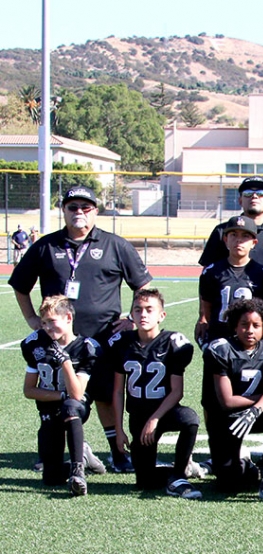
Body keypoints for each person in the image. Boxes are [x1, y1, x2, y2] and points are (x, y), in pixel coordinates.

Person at [10, 185, 151, 473]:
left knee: (104, 394)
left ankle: (117, 453)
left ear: (95, 211)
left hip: (103, 336)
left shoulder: (115, 244)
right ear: (64, 210)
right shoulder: (46, 246)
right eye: (73, 207)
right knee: (55, 391)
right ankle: (55, 450)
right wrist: (32, 321)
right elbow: (20, 285)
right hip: (59, 339)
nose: (79, 212)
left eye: (85, 207)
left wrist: (132, 318)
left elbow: (144, 285)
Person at [108, 289, 202, 499]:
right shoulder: (121, 343)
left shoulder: (173, 342)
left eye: (150, 310)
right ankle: (179, 471)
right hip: (139, 417)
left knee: (189, 419)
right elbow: (117, 391)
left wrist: (155, 419)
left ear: (161, 315)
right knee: (145, 482)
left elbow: (177, 392)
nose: (143, 314)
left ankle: (178, 474)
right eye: (138, 310)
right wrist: (118, 428)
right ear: (131, 314)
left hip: (164, 412)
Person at [202, 298, 263, 501]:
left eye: (256, 325)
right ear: (234, 325)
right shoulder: (221, 349)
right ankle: (245, 465)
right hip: (226, 419)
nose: (250, 330)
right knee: (227, 484)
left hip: (254, 414)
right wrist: (260, 401)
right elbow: (228, 401)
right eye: (244, 325)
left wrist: (256, 410)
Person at [21, 295, 102, 496]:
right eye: (44, 322)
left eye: (52, 321)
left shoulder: (86, 347)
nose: (48, 327)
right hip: (50, 408)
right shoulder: (35, 345)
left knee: (70, 406)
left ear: (68, 318)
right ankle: (83, 458)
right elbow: (29, 390)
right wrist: (60, 394)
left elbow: (76, 394)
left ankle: (77, 472)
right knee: (51, 477)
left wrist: (65, 362)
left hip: (76, 406)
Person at [197, 216, 263, 346]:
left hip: (249, 339)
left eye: (245, 236)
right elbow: (207, 307)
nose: (238, 240)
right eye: (233, 235)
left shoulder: (262, 274)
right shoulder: (212, 272)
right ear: (225, 240)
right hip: (219, 335)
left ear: (254, 243)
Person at [198, 176, 263, 268]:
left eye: (261, 193)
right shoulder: (222, 231)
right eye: (248, 193)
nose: (254, 196)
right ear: (240, 200)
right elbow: (208, 273)